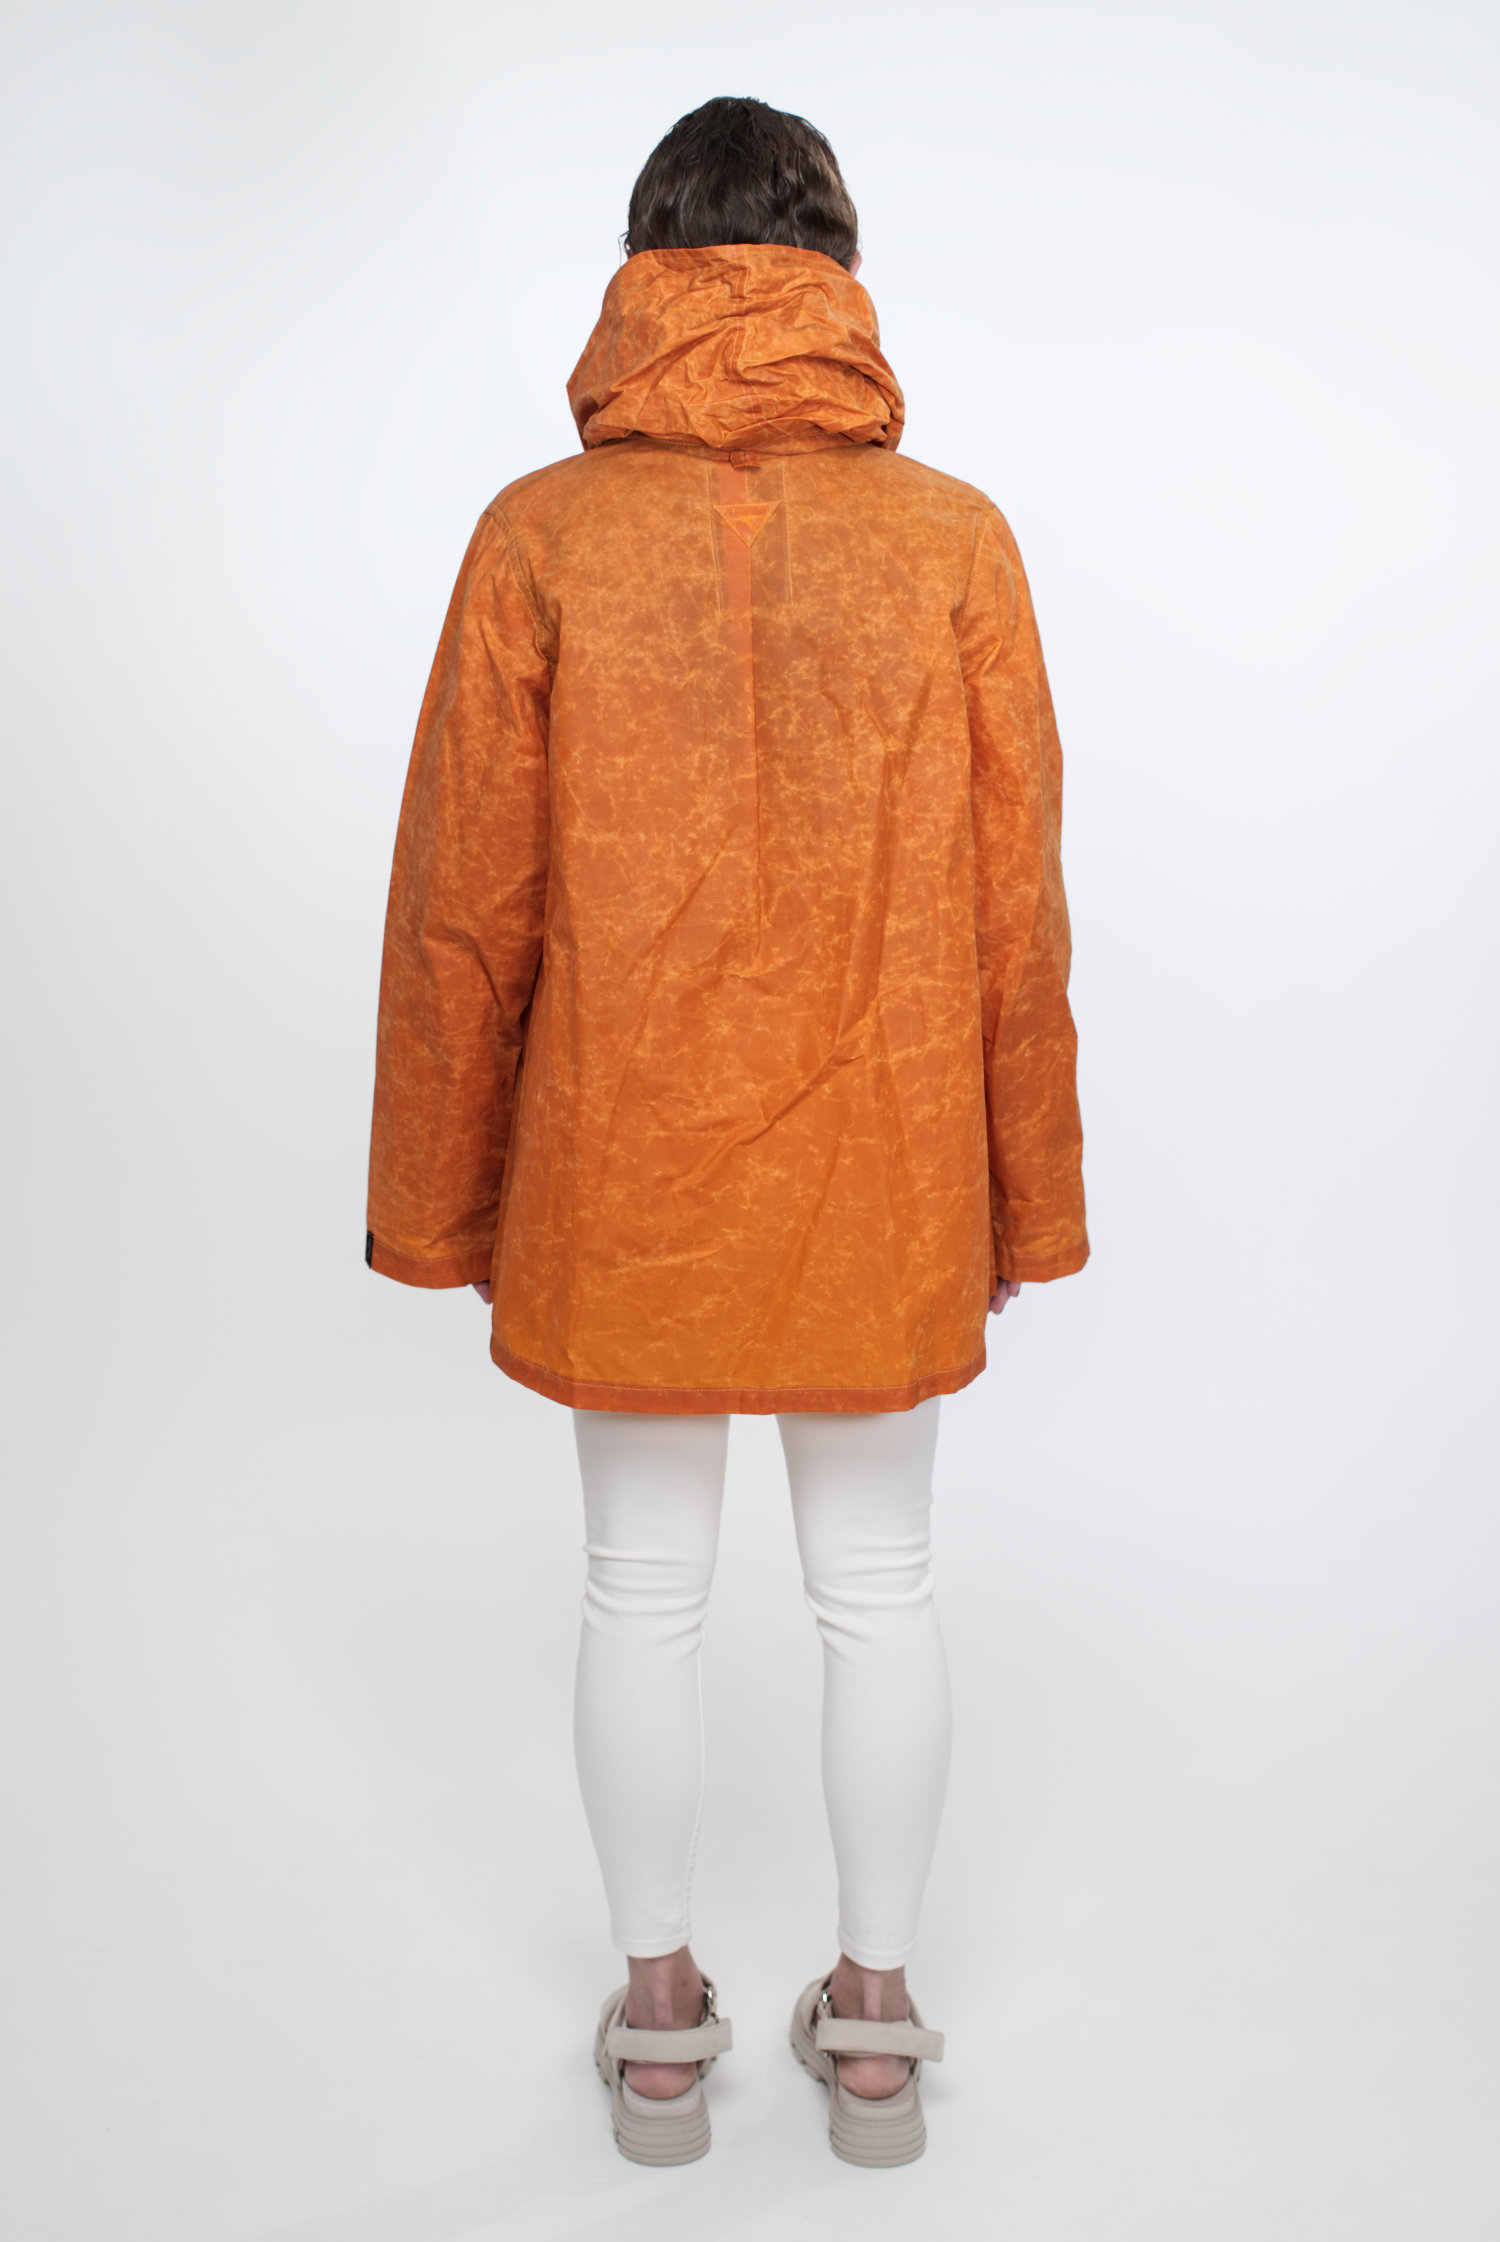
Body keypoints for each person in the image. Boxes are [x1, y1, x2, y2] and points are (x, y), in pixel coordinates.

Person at [365, 94, 1088, 2169]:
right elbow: (1017, 905)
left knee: (638, 1587)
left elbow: (461, 904)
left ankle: (664, 2031)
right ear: (835, 268)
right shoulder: (954, 539)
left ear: (642, 266)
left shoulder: (538, 536)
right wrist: (1026, 1195)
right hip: (883, 1161)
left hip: (627, 1167)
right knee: (884, 1584)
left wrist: (442, 1206)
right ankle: (875, 2032)